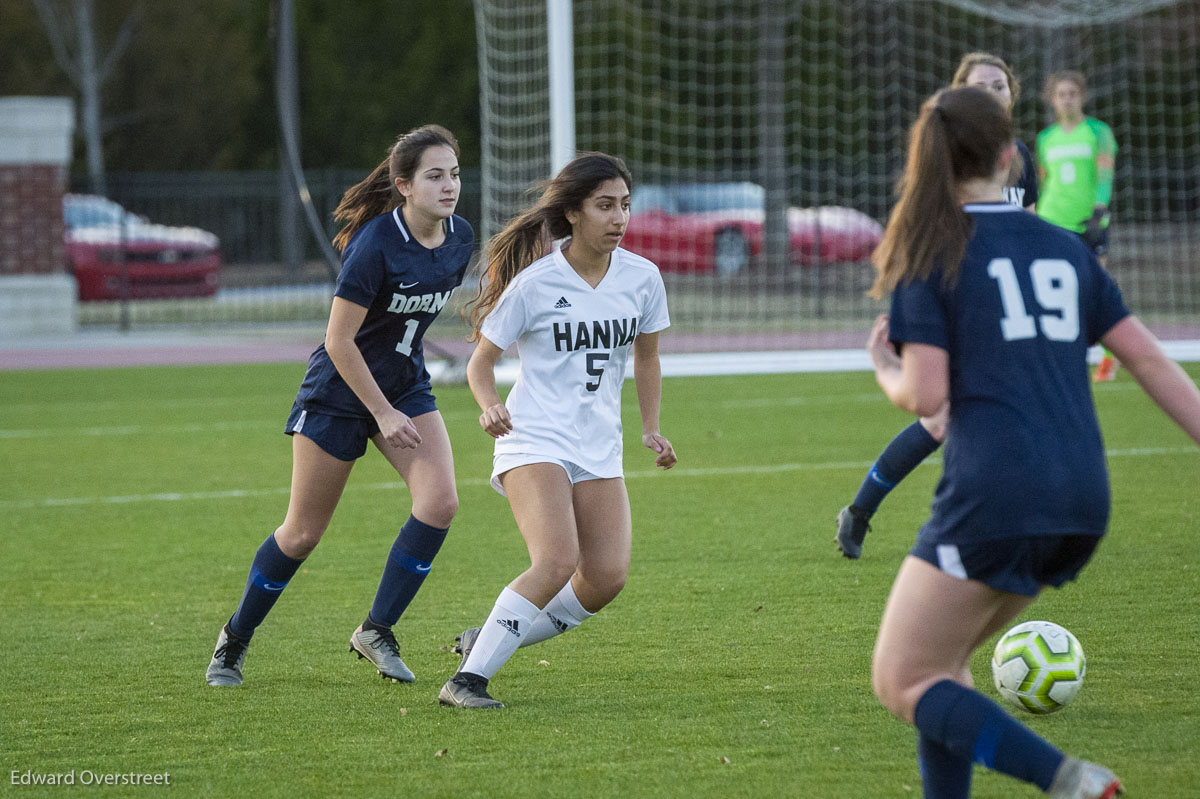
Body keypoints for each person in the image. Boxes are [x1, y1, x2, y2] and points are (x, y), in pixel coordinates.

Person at [867, 86, 1200, 798]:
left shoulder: (930, 253)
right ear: (1013, 157)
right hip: (1083, 495)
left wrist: (887, 369)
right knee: (945, 667)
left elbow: (927, 396)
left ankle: (1070, 779)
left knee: (903, 677)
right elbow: (1146, 358)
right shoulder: (1064, 246)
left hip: (998, 492)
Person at [205, 125, 474, 687]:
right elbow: (339, 340)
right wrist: (381, 413)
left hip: (404, 387)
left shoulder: (459, 238)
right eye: (434, 175)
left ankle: (376, 629)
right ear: (403, 185)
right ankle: (234, 639)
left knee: (440, 503)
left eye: (454, 173)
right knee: (302, 534)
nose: (449, 186)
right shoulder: (376, 243)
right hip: (339, 394)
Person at [438, 152, 676, 709]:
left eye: (624, 206)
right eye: (604, 206)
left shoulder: (643, 278)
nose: (618, 218)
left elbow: (647, 358)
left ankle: (494, 637)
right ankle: (466, 682)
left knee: (606, 577)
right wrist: (489, 403)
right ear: (572, 213)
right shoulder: (536, 283)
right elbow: (480, 362)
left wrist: (651, 427)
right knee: (555, 559)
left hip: (599, 444)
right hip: (533, 437)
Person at [835, 51, 1038, 559]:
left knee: (992, 416)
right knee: (942, 416)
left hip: (1005, 311)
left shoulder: (1023, 161)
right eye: (979, 86)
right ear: (959, 95)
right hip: (952, 302)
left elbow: (1026, 235)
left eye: (999, 86)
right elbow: (925, 228)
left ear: (1013, 95)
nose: (992, 94)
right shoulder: (948, 159)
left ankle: (995, 524)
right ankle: (864, 512)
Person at [1036, 70, 1119, 382]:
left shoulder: (1098, 132)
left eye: (1072, 93)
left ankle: (1111, 355)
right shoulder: (1046, 138)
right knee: (1053, 289)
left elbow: (1105, 175)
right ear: (1053, 100)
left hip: (1090, 220)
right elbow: (1045, 183)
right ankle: (1059, 357)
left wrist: (1100, 209)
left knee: (1096, 288)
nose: (1067, 99)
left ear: (1081, 97)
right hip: (1053, 220)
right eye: (1061, 94)